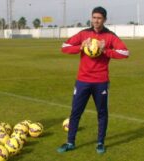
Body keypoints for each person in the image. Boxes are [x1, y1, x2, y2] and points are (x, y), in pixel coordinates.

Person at [57, 6, 129, 154]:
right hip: (82, 80)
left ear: (104, 20)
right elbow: (64, 47)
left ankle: (100, 143)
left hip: (101, 81)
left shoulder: (110, 36)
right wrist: (80, 47)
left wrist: (105, 51)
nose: (96, 20)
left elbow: (125, 52)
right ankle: (70, 142)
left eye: (99, 18)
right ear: (91, 18)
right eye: (94, 17)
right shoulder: (84, 34)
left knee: (102, 113)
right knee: (76, 112)